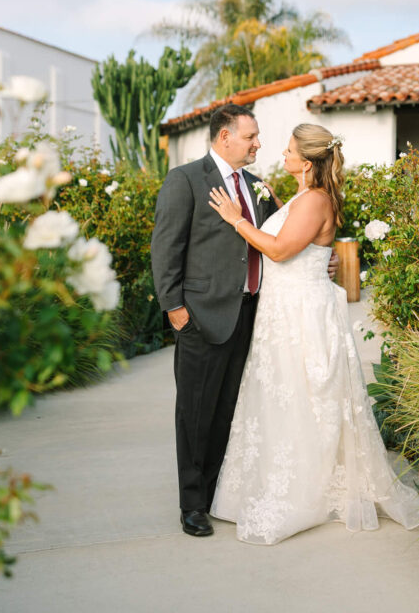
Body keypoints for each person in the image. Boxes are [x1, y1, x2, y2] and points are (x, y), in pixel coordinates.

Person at [206, 123, 419, 545]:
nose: (283, 154)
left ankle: (303, 490)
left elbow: (277, 249)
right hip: (284, 310)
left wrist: (236, 220)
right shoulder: (300, 196)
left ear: (306, 162)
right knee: (284, 399)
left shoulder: (314, 199)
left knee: (304, 398)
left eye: (290, 150)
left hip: (300, 316)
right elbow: (303, 247)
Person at [151, 103, 282, 538]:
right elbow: (166, 247)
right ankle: (192, 506)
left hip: (248, 315)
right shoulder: (185, 180)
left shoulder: (258, 186)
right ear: (225, 137)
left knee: (228, 409)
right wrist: (175, 309)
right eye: (251, 137)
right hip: (200, 319)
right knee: (195, 413)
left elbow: (272, 241)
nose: (257, 144)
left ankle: (214, 494)